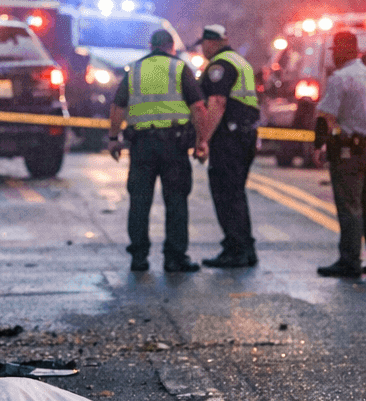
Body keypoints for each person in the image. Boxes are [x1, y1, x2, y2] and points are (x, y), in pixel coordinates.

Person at [108, 29, 206, 273]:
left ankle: (139, 258)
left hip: (141, 146)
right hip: (174, 145)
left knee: (139, 202)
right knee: (176, 202)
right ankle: (174, 258)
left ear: (151, 46)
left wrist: (113, 138)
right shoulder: (180, 68)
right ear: (172, 47)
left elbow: (117, 107)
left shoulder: (134, 70)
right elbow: (198, 107)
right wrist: (202, 141)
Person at [314, 30, 366, 277]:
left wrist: (319, 146)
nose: (333, 56)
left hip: (351, 152)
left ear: (340, 51)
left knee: (350, 207)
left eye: (335, 51)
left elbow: (327, 116)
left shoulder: (340, 79)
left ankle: (350, 261)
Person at [193, 24, 260, 268]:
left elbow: (218, 102)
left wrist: (204, 138)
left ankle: (235, 250)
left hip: (229, 138)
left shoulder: (219, 66)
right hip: (244, 136)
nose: (202, 49)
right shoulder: (240, 61)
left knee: (225, 194)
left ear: (211, 42)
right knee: (235, 193)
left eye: (203, 44)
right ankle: (245, 248)